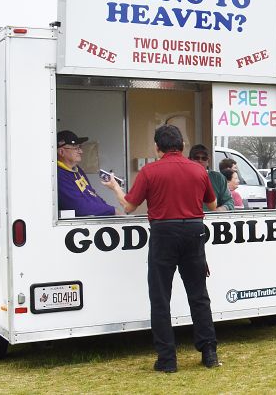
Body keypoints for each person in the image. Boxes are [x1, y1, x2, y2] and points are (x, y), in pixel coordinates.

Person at [102, 124, 219, 373]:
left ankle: (167, 359)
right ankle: (209, 352)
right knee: (198, 295)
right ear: (183, 145)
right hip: (194, 231)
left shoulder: (149, 171)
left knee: (160, 297)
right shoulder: (198, 170)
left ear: (157, 147)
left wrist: (115, 187)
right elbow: (212, 203)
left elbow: (129, 206)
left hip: (163, 233)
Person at [56, 130, 119, 216]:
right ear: (61, 152)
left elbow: (92, 193)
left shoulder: (77, 169)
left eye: (79, 147)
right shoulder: (59, 175)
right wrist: (112, 210)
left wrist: (108, 208)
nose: (81, 151)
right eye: (75, 148)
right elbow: (80, 207)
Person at [189, 144, 234, 212]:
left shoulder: (218, 178)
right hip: (189, 217)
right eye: (196, 158)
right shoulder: (182, 176)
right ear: (189, 159)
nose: (200, 160)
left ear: (208, 161)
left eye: (204, 158)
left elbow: (229, 201)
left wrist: (221, 209)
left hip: (212, 217)